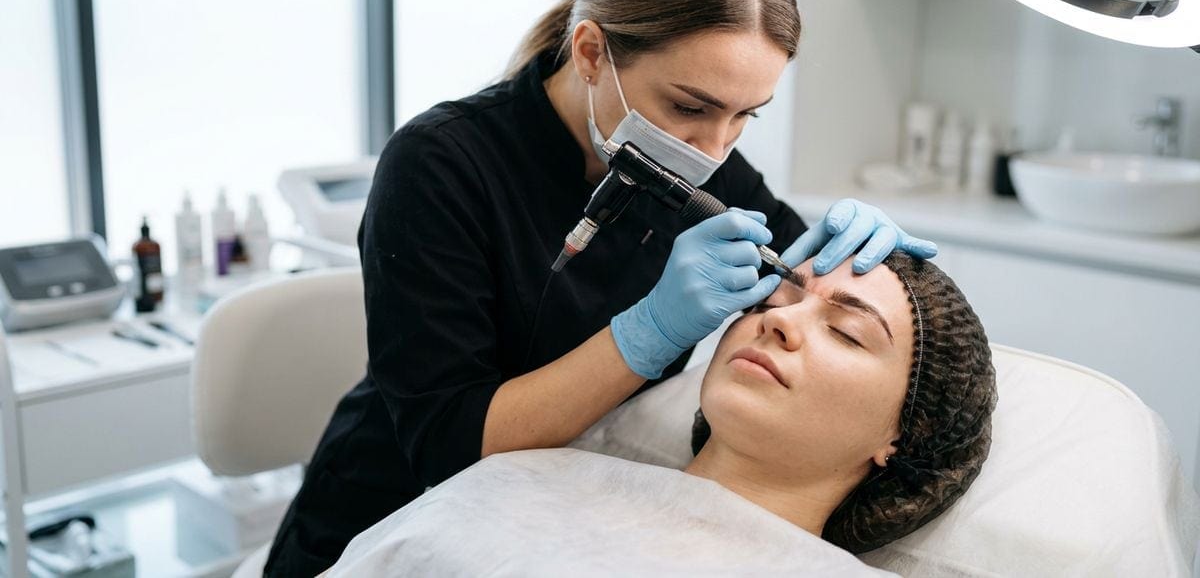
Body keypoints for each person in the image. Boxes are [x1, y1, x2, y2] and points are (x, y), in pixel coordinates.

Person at [265, 0, 937, 574]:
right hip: (392, 516)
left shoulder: (704, 165)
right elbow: (450, 445)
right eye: (689, 106)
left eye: (746, 117)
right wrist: (648, 333)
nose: (713, 148)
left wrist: (847, 252)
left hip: (558, 517)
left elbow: (801, 267)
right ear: (590, 52)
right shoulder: (441, 164)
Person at [318, 253, 998, 576]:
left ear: (905, 435)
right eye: (769, 302)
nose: (782, 324)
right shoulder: (527, 476)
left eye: (847, 333)